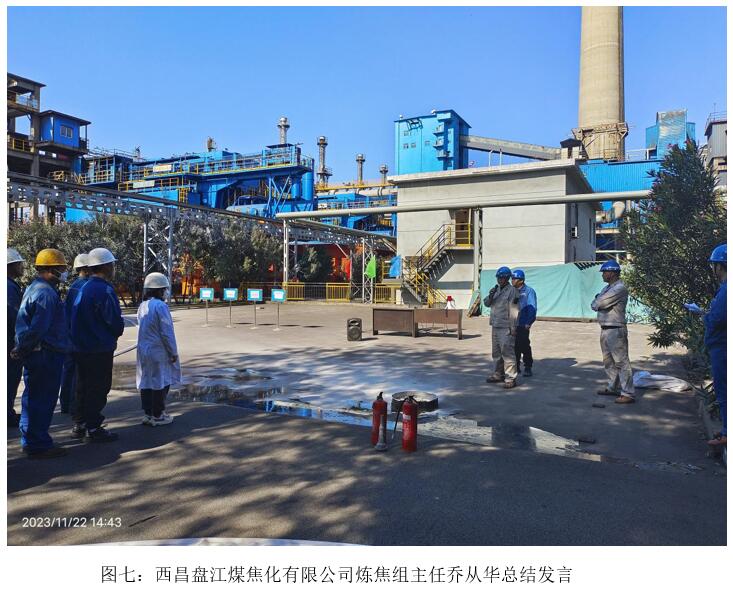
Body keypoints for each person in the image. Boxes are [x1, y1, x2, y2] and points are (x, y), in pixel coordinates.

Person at [12, 249, 71, 458]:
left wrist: (22, 348)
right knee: (42, 399)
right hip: (46, 353)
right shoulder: (46, 293)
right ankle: (39, 444)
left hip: (38, 353)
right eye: (62, 268)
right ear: (51, 270)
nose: (64, 272)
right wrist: (23, 348)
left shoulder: (35, 287)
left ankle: (30, 440)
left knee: (32, 398)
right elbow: (39, 328)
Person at [70, 247, 124, 442]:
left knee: (82, 386)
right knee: (98, 388)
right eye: (112, 264)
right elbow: (114, 322)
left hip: (80, 347)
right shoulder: (104, 290)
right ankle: (93, 428)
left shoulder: (82, 287)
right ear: (106, 266)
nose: (113, 268)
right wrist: (116, 331)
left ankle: (80, 424)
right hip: (99, 348)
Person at [685, 244, 727, 446]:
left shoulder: (727, 290)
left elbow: (716, 319)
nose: (713, 269)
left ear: (721, 265)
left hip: (723, 347)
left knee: (724, 390)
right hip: (721, 344)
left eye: (714, 265)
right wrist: (703, 312)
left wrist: (704, 316)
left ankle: (727, 433)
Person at [136, 272, 180, 426]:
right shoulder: (161, 306)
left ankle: (148, 414)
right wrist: (173, 352)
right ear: (160, 290)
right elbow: (167, 332)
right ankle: (158, 414)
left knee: (146, 381)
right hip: (158, 350)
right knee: (160, 382)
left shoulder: (143, 306)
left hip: (144, 350)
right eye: (165, 289)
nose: (166, 292)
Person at [591, 260, 634, 404]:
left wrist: (598, 300)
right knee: (608, 361)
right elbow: (596, 303)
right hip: (605, 328)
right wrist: (597, 301)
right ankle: (613, 387)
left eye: (605, 272)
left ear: (612, 273)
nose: (602, 275)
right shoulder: (607, 288)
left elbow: (599, 303)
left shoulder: (619, 288)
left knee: (621, 362)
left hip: (616, 329)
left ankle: (628, 393)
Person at [58, 253, 89, 414]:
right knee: (78, 373)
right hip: (78, 337)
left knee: (68, 371)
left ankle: (65, 403)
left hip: (69, 335)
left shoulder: (74, 286)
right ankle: (73, 405)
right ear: (86, 268)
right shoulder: (85, 287)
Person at [484, 266, 520, 389]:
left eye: (502, 278)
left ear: (507, 278)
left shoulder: (512, 291)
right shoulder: (495, 289)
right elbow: (486, 303)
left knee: (508, 353)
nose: (499, 280)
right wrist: (490, 295)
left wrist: (513, 328)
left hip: (506, 326)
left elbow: (514, 311)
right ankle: (498, 374)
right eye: (498, 277)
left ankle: (510, 378)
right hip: (495, 325)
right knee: (496, 353)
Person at [7, 248, 25, 428]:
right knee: (10, 380)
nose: (21, 267)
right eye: (18, 264)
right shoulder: (9, 287)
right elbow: (15, 317)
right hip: (9, 343)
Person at [511, 269, 537, 377]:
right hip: (513, 323)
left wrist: (529, 322)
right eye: (512, 278)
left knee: (524, 345)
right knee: (514, 346)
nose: (512, 280)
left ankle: (528, 367)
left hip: (523, 323)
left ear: (521, 280)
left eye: (514, 279)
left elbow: (532, 307)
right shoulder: (512, 291)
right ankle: (516, 366)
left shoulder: (529, 291)